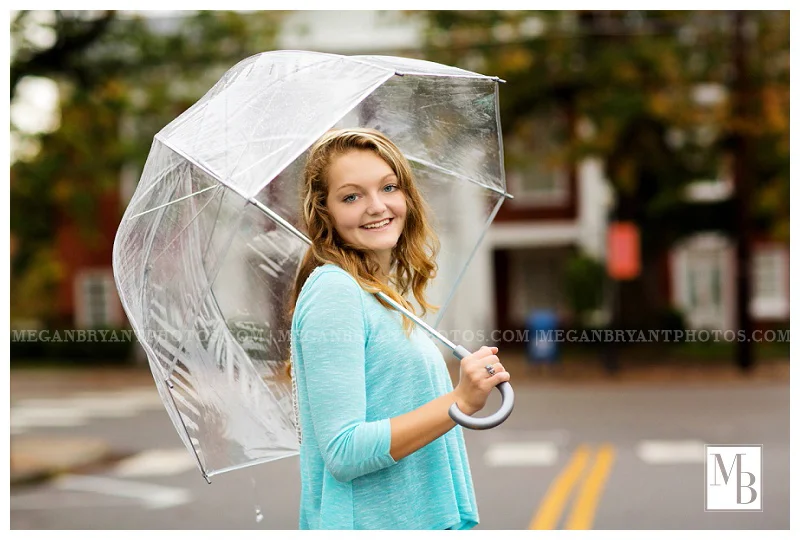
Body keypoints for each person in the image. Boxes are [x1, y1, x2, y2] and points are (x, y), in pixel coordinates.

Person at [286, 127, 510, 530]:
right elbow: (344, 451)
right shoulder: (335, 291)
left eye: (388, 187)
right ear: (326, 212)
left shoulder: (382, 296)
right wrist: (458, 401)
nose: (376, 206)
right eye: (351, 196)